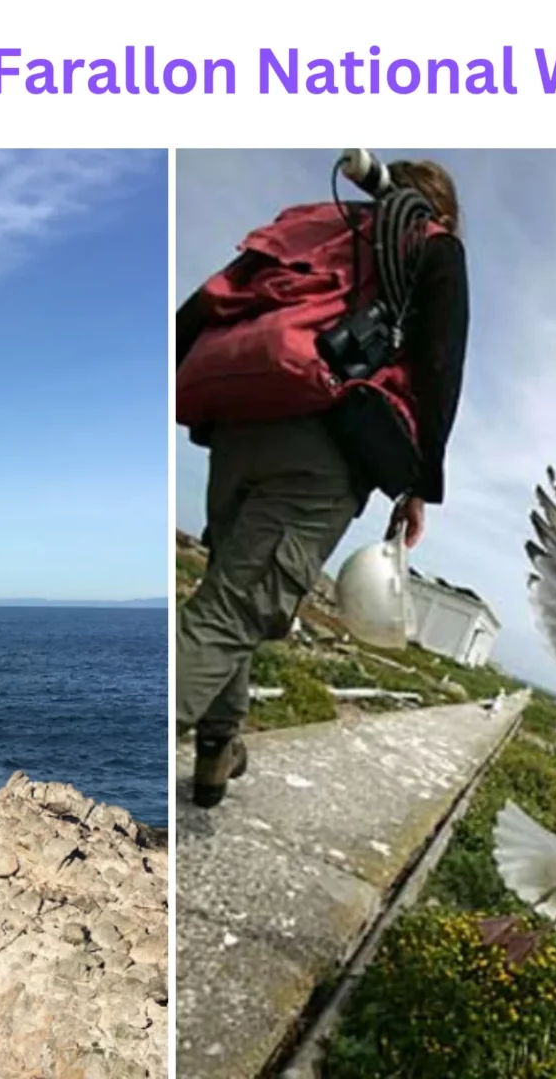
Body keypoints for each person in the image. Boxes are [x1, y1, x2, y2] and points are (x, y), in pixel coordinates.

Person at [175, 157, 470, 808]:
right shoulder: (435, 247)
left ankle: (216, 752)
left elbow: (210, 298)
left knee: (227, 593)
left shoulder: (313, 225)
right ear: (440, 213)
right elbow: (439, 364)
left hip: (239, 428)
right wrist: (418, 484)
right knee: (228, 612)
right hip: (324, 447)